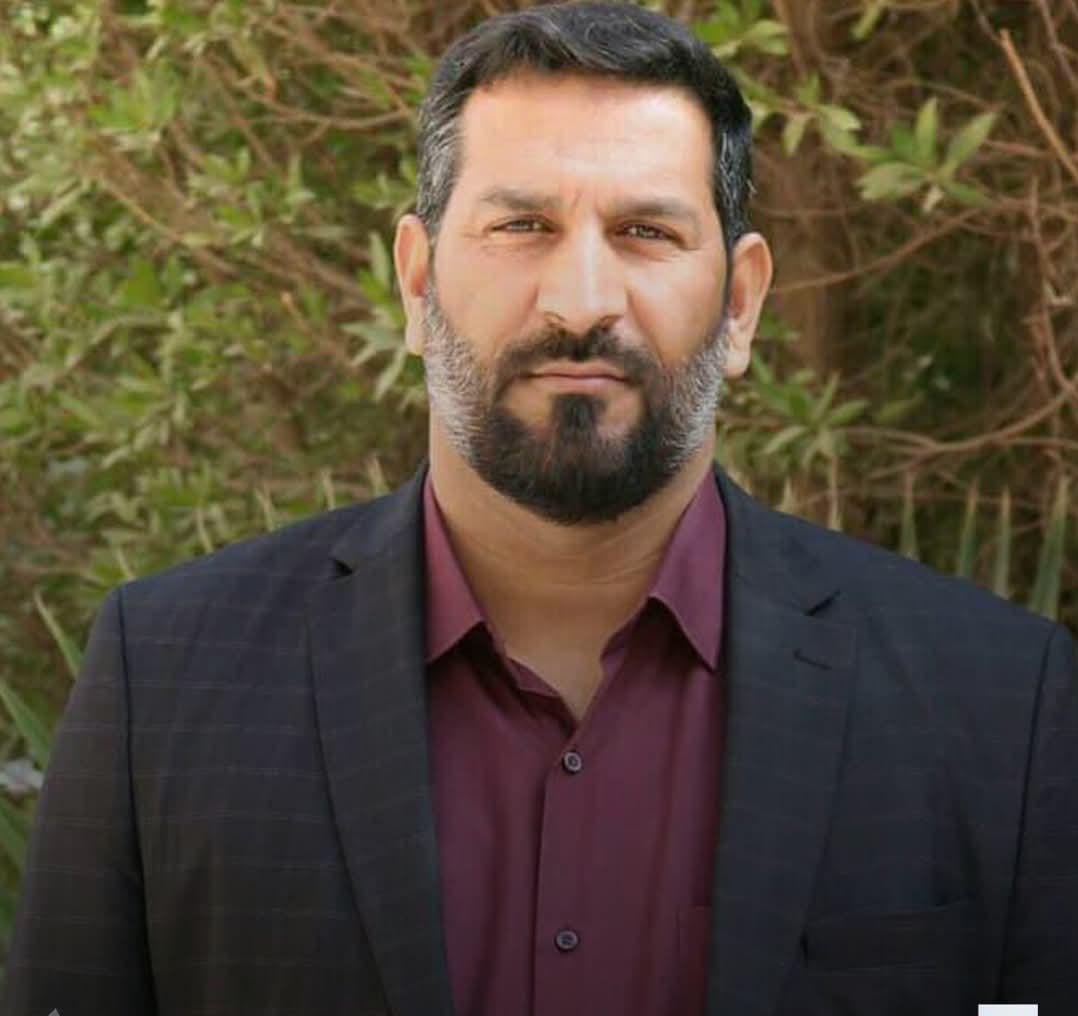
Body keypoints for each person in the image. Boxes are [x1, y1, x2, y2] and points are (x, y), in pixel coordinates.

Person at [4, 3, 1076, 1014]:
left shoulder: (997, 704)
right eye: (521, 225)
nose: (580, 303)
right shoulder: (167, 679)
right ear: (417, 283)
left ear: (741, 304)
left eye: (646, 231)